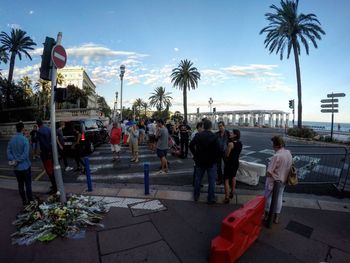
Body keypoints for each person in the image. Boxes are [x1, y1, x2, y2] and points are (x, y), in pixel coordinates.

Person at [190, 119, 220, 204]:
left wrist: (195, 155)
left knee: (198, 179)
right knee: (211, 181)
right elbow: (218, 150)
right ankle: (210, 198)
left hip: (200, 161)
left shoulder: (198, 135)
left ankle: (196, 196)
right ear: (210, 127)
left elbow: (191, 145)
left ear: (203, 126)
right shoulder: (214, 136)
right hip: (211, 162)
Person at [264, 136, 292, 224]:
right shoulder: (288, 153)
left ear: (275, 145)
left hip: (273, 181)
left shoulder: (276, 156)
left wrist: (268, 166)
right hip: (283, 180)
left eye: (272, 143)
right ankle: (276, 217)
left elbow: (269, 172)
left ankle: (267, 215)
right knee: (279, 197)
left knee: (267, 197)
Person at [7, 122, 33, 205]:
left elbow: (8, 152)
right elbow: (25, 154)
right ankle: (31, 201)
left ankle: (24, 202)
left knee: (20, 185)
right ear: (22, 129)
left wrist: (14, 160)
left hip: (16, 167)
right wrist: (18, 160)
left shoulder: (12, 139)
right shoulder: (25, 139)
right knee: (28, 185)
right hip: (25, 166)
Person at [36, 119, 57, 194]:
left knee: (49, 171)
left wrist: (44, 152)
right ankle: (55, 185)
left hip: (46, 154)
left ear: (37, 124)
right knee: (52, 170)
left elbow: (43, 144)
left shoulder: (39, 132)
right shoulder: (48, 129)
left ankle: (55, 188)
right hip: (52, 152)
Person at [223, 129, 242, 204]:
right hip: (236, 163)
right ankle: (232, 192)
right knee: (233, 177)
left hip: (229, 163)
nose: (230, 134)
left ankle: (227, 197)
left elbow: (227, 155)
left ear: (235, 135)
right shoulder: (240, 143)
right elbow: (238, 154)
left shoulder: (230, 144)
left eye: (231, 133)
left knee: (226, 180)